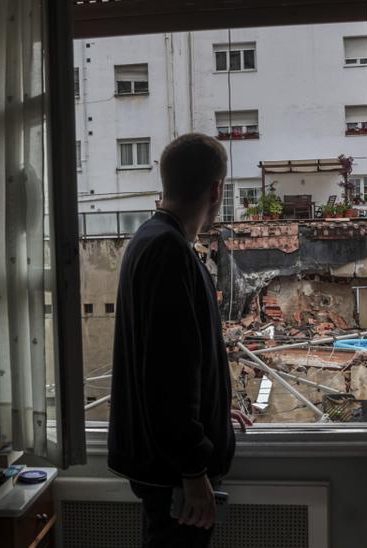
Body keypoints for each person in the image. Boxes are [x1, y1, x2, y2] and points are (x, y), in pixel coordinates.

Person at [108, 133, 254, 547]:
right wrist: (193, 469)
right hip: (173, 473)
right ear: (217, 190)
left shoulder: (151, 241)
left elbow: (172, 357)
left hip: (166, 464)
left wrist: (212, 417)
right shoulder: (169, 253)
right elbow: (168, 375)